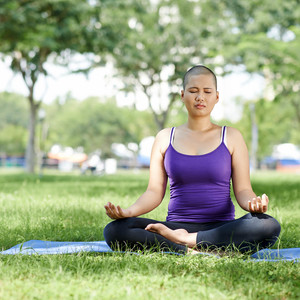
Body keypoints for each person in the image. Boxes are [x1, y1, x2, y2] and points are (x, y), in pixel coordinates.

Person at [103, 65, 281, 254]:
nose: (200, 97)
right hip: (173, 227)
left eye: (207, 91)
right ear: (182, 95)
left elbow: (243, 189)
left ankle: (186, 242)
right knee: (115, 230)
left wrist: (253, 204)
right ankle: (191, 249)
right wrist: (129, 212)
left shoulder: (231, 136)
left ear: (217, 97)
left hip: (220, 229)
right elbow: (154, 191)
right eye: (193, 91)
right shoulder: (165, 138)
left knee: (267, 226)